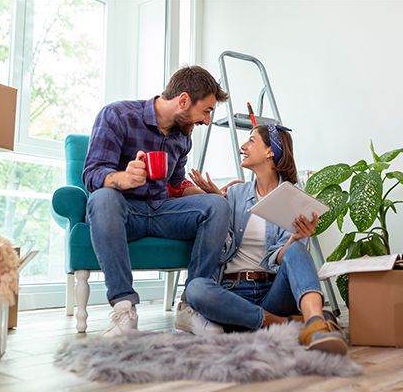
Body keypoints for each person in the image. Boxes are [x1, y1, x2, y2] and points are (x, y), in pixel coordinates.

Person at [83, 66, 233, 337]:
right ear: (184, 101)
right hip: (125, 212)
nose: (207, 120)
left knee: (217, 205)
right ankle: (124, 308)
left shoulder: (182, 137)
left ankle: (192, 306)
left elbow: (176, 184)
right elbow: (92, 174)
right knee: (102, 197)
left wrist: (212, 197)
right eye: (207, 110)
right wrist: (124, 178)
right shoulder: (117, 116)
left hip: (162, 212)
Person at [186, 124, 348, 355]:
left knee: (296, 250)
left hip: (274, 293)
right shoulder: (234, 194)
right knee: (196, 289)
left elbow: (284, 258)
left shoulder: (293, 198)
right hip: (232, 293)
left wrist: (294, 238)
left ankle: (315, 324)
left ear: (270, 151)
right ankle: (284, 324)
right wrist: (217, 202)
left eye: (251, 141)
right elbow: (217, 245)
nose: (243, 146)